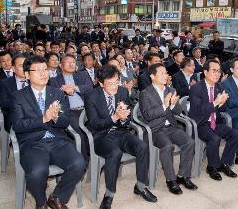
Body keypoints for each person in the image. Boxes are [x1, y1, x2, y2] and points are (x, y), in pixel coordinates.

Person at [11, 55, 86, 209]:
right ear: (27, 74)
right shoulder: (18, 97)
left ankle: (57, 197)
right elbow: (18, 125)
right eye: (38, 70)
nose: (43, 73)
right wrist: (44, 118)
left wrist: (56, 117)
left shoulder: (57, 93)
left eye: (45, 69)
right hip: (33, 143)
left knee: (79, 163)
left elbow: (66, 122)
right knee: (37, 171)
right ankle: (41, 202)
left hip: (58, 141)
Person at [85, 65, 157, 209]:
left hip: (120, 132)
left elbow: (128, 118)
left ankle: (141, 185)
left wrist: (124, 118)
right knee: (114, 153)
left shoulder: (123, 91)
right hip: (101, 136)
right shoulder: (91, 96)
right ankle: (109, 194)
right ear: (100, 83)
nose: (114, 87)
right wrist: (115, 117)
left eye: (116, 82)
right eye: (109, 84)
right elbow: (94, 124)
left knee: (142, 146)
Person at [139, 63, 197, 194]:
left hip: (171, 126)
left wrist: (173, 104)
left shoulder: (170, 90)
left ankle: (183, 176)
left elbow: (177, 112)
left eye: (166, 73)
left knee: (189, 142)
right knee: (167, 146)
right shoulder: (145, 93)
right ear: (153, 76)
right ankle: (171, 180)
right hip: (155, 129)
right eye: (162, 73)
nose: (166, 76)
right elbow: (148, 115)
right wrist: (165, 105)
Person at [188, 59, 238, 181]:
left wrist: (221, 103)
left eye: (219, 71)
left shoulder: (220, 86)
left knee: (235, 134)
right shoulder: (196, 88)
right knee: (214, 139)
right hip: (200, 123)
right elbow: (198, 110)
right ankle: (212, 167)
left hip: (215, 122)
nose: (217, 74)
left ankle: (225, 163)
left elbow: (224, 107)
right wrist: (216, 102)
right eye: (214, 71)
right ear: (205, 72)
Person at [49, 54, 93, 159]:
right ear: (60, 65)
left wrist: (74, 88)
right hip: (71, 111)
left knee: (97, 128)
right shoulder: (54, 80)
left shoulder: (83, 75)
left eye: (73, 62)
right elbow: (54, 98)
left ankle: (97, 156)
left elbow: (90, 88)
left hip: (87, 109)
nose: (71, 64)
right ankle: (84, 161)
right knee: (79, 131)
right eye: (68, 62)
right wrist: (63, 91)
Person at [0, 54, 27, 132]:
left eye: (27, 65)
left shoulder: (34, 81)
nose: (25, 68)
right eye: (22, 66)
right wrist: (21, 101)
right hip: (15, 116)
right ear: (14, 68)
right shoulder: (6, 83)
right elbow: (4, 103)